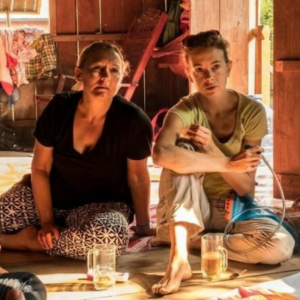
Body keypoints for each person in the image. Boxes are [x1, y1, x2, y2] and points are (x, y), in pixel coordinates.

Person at [151, 30, 295, 295]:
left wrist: (211, 148)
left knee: (281, 246)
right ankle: (178, 259)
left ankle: (194, 243)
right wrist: (228, 163)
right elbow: (160, 154)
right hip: (193, 207)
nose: (209, 76)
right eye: (199, 69)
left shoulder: (251, 112)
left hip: (233, 208)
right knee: (180, 149)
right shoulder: (183, 111)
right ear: (188, 72)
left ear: (228, 66)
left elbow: (244, 187)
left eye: (216, 66)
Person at [0, 41, 154, 260]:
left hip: (102, 205)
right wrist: (47, 222)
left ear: (121, 78)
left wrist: (144, 225)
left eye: (114, 71)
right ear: (79, 74)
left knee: (108, 239)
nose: (105, 77)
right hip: (48, 199)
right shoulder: (59, 108)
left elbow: (138, 176)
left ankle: (26, 242)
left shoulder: (134, 120)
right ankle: (46, 238)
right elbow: (41, 168)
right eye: (97, 68)